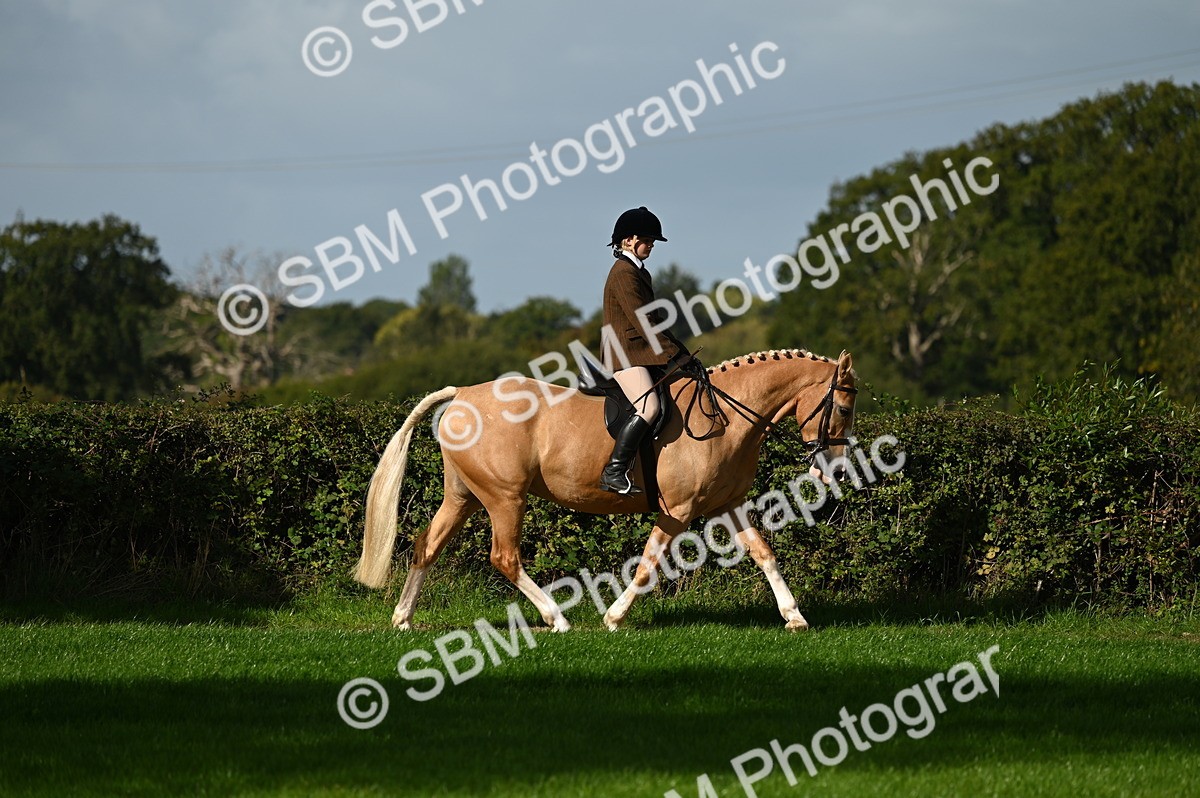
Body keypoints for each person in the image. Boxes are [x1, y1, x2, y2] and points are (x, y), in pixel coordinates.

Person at [598, 206, 693, 495]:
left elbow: (653, 321)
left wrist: (681, 350)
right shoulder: (624, 273)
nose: (651, 246)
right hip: (625, 354)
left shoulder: (638, 272)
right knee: (648, 406)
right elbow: (642, 320)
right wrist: (673, 356)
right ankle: (614, 471)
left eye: (652, 242)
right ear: (628, 240)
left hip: (639, 351)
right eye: (647, 241)